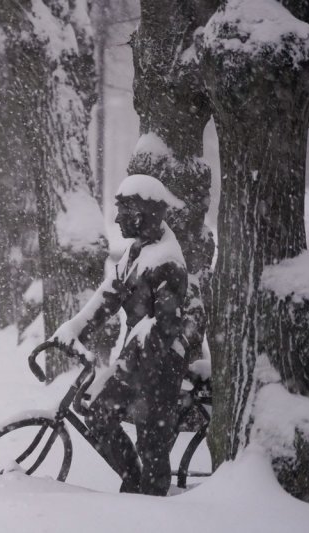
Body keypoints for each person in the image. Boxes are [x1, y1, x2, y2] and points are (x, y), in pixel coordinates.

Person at [47, 174, 188, 496]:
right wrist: (75, 329)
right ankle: (132, 482)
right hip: (135, 363)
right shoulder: (137, 252)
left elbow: (165, 327)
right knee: (98, 414)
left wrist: (131, 361)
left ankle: (155, 511)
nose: (117, 220)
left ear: (144, 215)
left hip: (160, 367)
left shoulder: (166, 262)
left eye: (124, 213)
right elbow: (110, 295)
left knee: (152, 442)